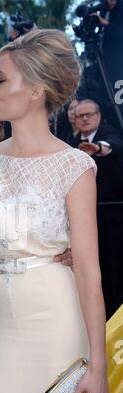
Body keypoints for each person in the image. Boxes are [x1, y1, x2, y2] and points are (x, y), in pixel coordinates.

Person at [0, 29, 108, 393]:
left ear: (35, 91)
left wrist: (98, 362)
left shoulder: (75, 166)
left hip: (53, 315)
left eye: (0, 78)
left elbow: (88, 268)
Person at [72, 99, 123, 318]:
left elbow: (113, 146)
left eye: (89, 114)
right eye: (80, 116)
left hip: (112, 218)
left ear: (98, 115)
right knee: (92, 269)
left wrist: (98, 148)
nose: (85, 118)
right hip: (84, 219)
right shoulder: (71, 141)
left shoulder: (109, 132)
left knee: (115, 270)